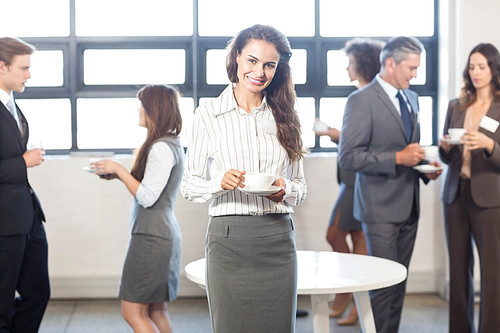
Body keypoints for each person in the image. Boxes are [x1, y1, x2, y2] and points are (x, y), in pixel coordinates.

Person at [181, 24, 307, 333]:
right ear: (237, 57)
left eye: (269, 65)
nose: (260, 72)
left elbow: (301, 188)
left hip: (278, 239)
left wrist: (285, 189)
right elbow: (188, 185)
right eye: (252, 60)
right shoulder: (208, 114)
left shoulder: (287, 115)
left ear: (278, 68)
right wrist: (218, 183)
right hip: (228, 241)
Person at [338, 36, 442, 333]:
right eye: (411, 68)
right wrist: (398, 157)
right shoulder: (360, 100)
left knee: (399, 284)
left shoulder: (412, 98)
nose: (415, 75)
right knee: (383, 287)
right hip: (379, 209)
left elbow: (409, 150)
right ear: (391, 63)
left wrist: (424, 169)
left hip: (409, 205)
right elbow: (349, 157)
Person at [90, 84, 184, 333]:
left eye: (142, 104)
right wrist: (119, 176)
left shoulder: (161, 148)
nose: (139, 109)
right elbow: (150, 187)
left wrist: (120, 170)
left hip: (152, 239)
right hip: (160, 235)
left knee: (132, 311)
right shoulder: (169, 143)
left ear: (154, 108)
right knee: (156, 310)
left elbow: (147, 197)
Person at [316, 38, 384, 326]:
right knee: (355, 240)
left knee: (337, 235)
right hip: (350, 181)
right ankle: (352, 298)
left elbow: (366, 143)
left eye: (351, 62)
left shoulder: (370, 97)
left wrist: (333, 134)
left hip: (359, 182)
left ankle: (351, 296)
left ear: (363, 64)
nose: (347, 67)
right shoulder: (361, 95)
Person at [439, 43, 500, 333]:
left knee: (493, 271)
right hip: (455, 194)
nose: (476, 72)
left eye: (482, 67)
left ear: (493, 69)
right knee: (458, 269)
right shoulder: (456, 105)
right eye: (472, 67)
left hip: (490, 199)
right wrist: (446, 147)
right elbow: (447, 156)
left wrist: (490, 145)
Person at [0, 37, 50, 333]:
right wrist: (23, 162)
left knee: (38, 294)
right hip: (4, 223)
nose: (29, 75)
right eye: (24, 68)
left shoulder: (11, 104)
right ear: (1, 67)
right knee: (2, 304)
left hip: (28, 217)